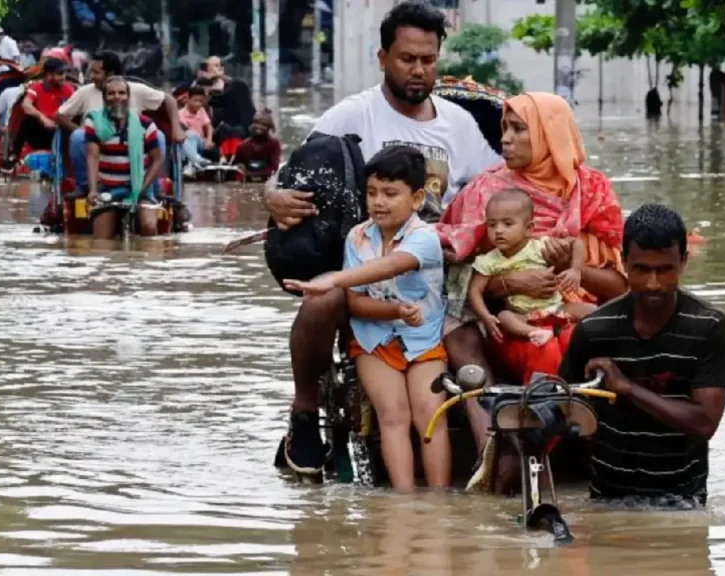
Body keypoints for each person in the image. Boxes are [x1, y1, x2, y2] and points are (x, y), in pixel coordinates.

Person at [264, 0, 501, 477]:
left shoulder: (460, 124)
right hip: (366, 271)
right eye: (406, 58)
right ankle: (305, 412)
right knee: (322, 298)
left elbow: (498, 193)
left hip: (441, 275)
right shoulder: (353, 114)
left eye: (428, 60)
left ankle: (496, 445)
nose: (418, 70)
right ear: (382, 58)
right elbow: (287, 174)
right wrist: (272, 196)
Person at [284, 146, 450, 491]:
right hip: (374, 337)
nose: (378, 202)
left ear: (417, 198)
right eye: (372, 193)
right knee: (393, 417)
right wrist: (394, 311)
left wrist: (330, 279)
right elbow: (357, 304)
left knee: (430, 416)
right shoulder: (357, 237)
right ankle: (403, 502)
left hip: (423, 339)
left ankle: (438, 502)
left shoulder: (425, 239)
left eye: (390, 194)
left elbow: (389, 266)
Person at [438, 91, 627, 388]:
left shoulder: (593, 190)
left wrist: (572, 269)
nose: (505, 139)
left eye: (519, 129)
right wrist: (510, 283)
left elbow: (621, 289)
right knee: (547, 352)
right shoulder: (488, 192)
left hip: (584, 319)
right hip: (516, 323)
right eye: (505, 128)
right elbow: (457, 288)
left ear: (549, 133)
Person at [559, 203, 725, 507]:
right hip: (606, 499)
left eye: (665, 269)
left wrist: (626, 388)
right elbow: (567, 407)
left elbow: (704, 424)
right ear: (624, 262)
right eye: (642, 270)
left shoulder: (711, 327)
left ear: (683, 261)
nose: (653, 283)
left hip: (683, 502)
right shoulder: (594, 330)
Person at [467, 189, 595, 349]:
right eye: (492, 225)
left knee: (591, 310)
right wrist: (485, 316)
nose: (498, 230)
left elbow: (575, 243)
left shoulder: (540, 246)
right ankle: (535, 332)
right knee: (505, 317)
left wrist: (575, 270)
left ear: (529, 228)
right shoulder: (488, 261)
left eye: (507, 224)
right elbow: (474, 291)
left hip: (555, 308)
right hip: (523, 316)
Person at [56, 51, 184, 191]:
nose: (91, 77)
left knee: (158, 136)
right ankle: (85, 186)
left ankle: (150, 186)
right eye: (111, 94)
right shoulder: (87, 92)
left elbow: (168, 100)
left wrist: (176, 128)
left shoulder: (135, 90)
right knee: (78, 137)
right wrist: (79, 130)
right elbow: (60, 115)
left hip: (132, 144)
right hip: (97, 144)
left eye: (96, 72)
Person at [84, 77, 164, 240]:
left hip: (141, 189)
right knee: (101, 240)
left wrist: (141, 189)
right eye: (111, 93)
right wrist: (92, 190)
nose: (117, 97)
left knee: (149, 227)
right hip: (108, 189)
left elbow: (157, 159)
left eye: (121, 93)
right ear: (104, 98)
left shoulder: (146, 125)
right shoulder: (94, 121)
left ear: (128, 97)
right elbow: (93, 156)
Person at [8, 57, 75, 166]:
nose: (63, 77)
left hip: (61, 129)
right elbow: (26, 105)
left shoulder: (68, 89)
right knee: (27, 121)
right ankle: (14, 156)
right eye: (60, 74)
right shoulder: (36, 87)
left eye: (64, 73)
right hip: (41, 131)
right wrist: (42, 118)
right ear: (49, 75)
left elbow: (74, 108)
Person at [232, 110, 281, 176]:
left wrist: (254, 175)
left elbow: (274, 167)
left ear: (269, 127)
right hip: (247, 180)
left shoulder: (274, 144)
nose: (258, 126)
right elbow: (235, 167)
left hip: (265, 178)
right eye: (256, 123)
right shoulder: (243, 146)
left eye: (263, 124)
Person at [179, 86, 215, 170]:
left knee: (191, 134)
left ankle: (194, 161)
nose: (198, 104)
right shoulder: (180, 114)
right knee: (189, 134)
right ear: (188, 99)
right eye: (195, 101)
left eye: (201, 101)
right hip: (187, 142)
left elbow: (209, 126)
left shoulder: (201, 111)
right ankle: (195, 161)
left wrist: (209, 140)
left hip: (200, 142)